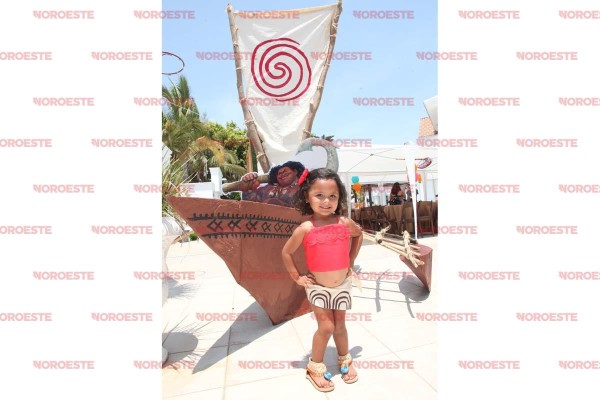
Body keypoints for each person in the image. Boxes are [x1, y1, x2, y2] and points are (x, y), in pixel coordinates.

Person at [281, 168, 363, 392]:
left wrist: (351, 261)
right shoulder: (305, 228)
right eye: (319, 195)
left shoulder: (344, 222)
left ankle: (345, 359)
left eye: (332, 196)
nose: (326, 201)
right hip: (317, 287)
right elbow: (286, 252)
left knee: (340, 326)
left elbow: (358, 235)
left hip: (343, 285)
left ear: (339, 197)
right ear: (307, 197)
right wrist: (297, 277)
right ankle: (314, 367)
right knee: (326, 327)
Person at [239, 161, 306, 207]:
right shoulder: (267, 188)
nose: (282, 174)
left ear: (295, 171)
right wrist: (249, 186)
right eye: (279, 174)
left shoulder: (307, 186)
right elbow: (248, 205)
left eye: (285, 171)